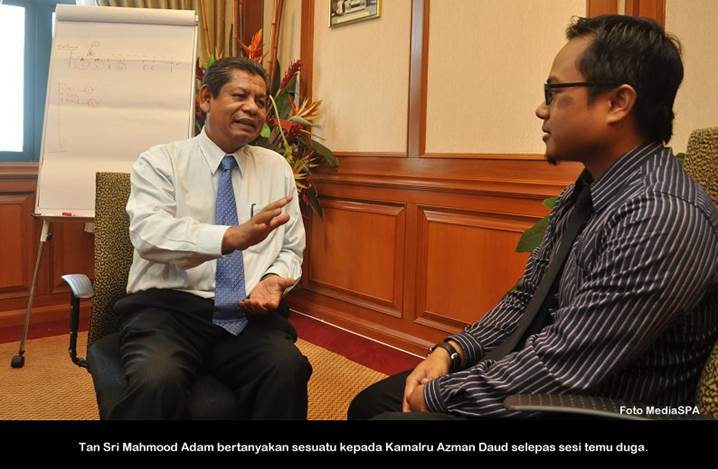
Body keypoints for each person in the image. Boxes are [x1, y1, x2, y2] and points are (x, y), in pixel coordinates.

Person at [349, 15, 718, 419]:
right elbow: (529, 298)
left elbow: (563, 365)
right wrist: (452, 351)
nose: (541, 109)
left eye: (554, 91)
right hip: (546, 384)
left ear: (617, 103)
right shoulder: (589, 189)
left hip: (596, 409)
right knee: (370, 404)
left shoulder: (662, 216)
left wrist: (440, 396)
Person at [109, 57, 311, 419]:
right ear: (206, 98)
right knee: (156, 381)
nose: (253, 108)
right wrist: (229, 237)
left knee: (287, 368)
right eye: (240, 96)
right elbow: (148, 234)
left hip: (246, 315)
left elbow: (291, 246)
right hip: (168, 310)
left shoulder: (276, 168)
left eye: (261, 101)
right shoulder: (161, 161)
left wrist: (272, 279)